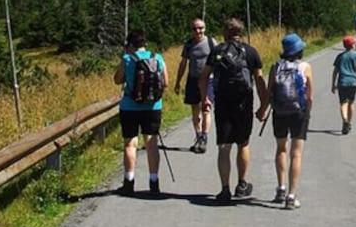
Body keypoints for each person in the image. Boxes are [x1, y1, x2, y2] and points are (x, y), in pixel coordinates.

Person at [199, 18, 268, 203]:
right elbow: (260, 81)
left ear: (225, 33)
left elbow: (204, 76)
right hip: (244, 103)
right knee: (243, 144)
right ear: (241, 33)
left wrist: (205, 98)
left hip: (223, 102)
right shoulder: (251, 52)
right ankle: (242, 184)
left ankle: (224, 189)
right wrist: (263, 105)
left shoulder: (217, 51)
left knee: (224, 146)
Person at [114, 30, 168, 196]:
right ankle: (154, 182)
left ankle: (129, 182)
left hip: (130, 107)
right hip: (153, 107)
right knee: (151, 144)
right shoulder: (157, 57)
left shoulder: (127, 59)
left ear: (130, 44)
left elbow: (117, 80)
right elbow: (165, 82)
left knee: (130, 144)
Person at [266, 33, 314, 209]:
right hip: (298, 113)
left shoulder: (275, 67)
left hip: (279, 112)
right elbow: (310, 95)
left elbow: (269, 92)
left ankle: (281, 188)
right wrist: (307, 113)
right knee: (297, 153)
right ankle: (292, 196)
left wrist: (263, 110)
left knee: (280, 149)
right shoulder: (306, 67)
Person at [174, 18, 215, 153]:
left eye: (201, 28)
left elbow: (219, 61)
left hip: (208, 80)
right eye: (195, 29)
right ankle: (198, 135)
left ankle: (204, 137)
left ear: (205, 28)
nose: (198, 31)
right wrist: (178, 82)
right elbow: (183, 63)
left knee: (206, 109)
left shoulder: (211, 42)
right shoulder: (189, 44)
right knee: (195, 111)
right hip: (193, 80)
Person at [331, 35, 356, 135]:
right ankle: (349, 122)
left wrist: (333, 84)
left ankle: (344, 120)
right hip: (353, 82)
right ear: (353, 45)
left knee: (343, 103)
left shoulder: (340, 56)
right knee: (351, 102)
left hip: (342, 82)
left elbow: (335, 71)